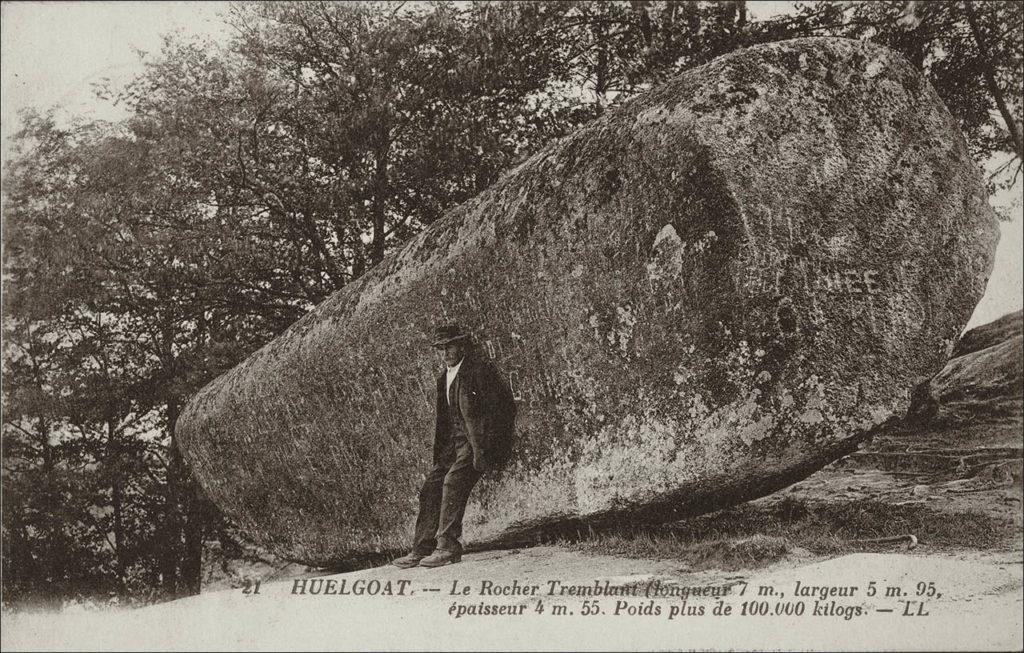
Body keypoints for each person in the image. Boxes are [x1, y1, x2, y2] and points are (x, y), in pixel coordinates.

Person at [392, 323, 515, 568]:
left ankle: (448, 546)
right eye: (441, 348)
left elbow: (503, 407)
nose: (446, 353)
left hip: (476, 442)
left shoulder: (478, 371)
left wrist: (488, 443)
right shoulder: (443, 378)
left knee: (454, 481)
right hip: (454, 444)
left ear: (461, 346)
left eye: (450, 347)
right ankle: (421, 548)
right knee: (431, 486)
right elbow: (446, 420)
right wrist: (443, 454)